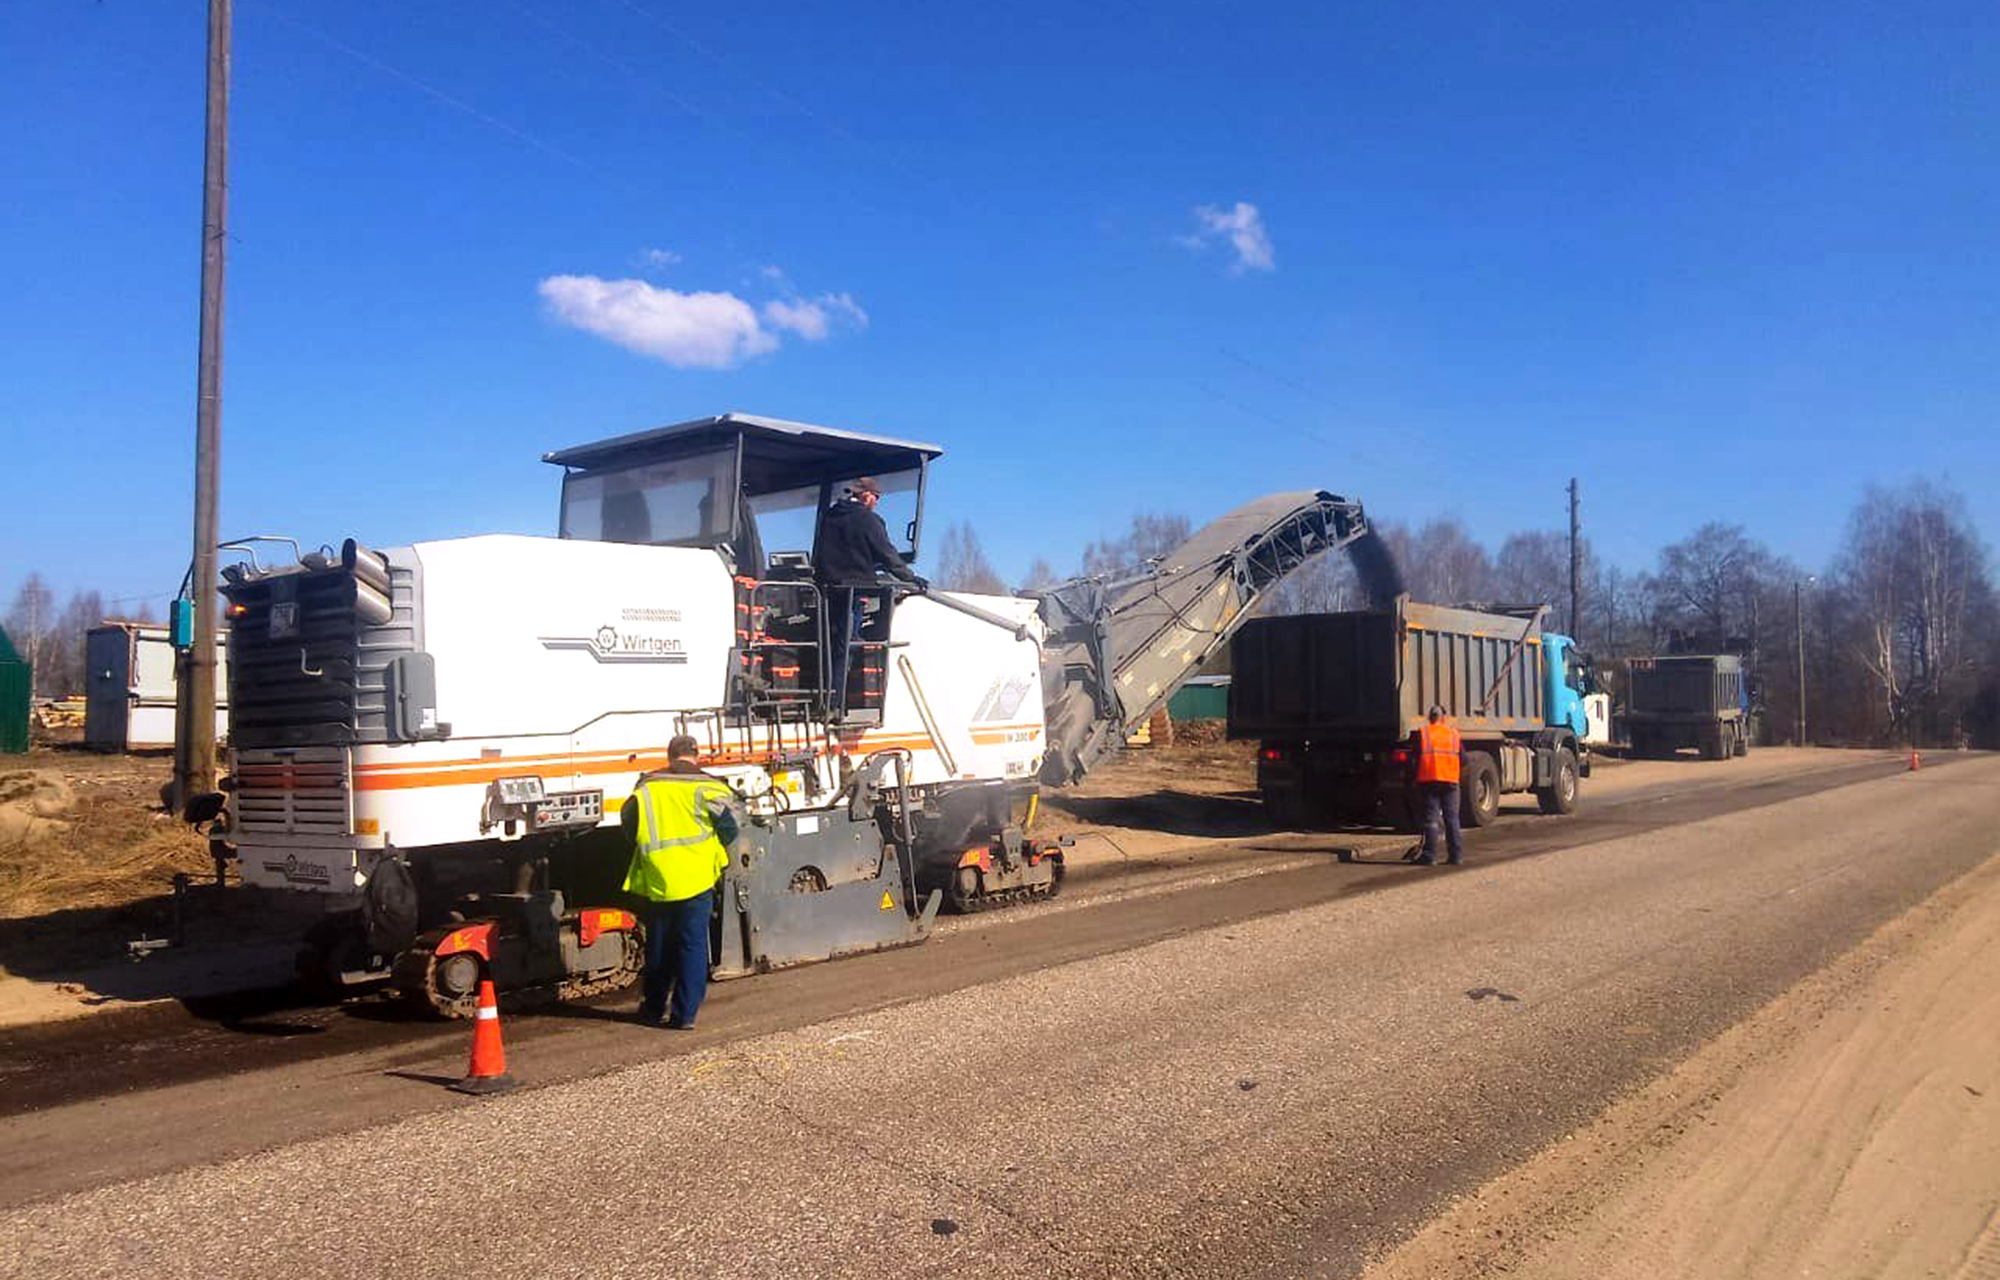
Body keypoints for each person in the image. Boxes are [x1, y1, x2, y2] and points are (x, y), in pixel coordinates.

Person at [621, 735, 739, 1029]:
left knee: (658, 946)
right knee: (692, 946)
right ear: (696, 756)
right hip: (697, 878)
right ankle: (684, 1015)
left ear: (670, 755)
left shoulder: (648, 785)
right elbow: (730, 829)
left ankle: (653, 1009)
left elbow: (629, 822)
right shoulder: (710, 786)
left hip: (659, 878)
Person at [813, 476, 926, 708]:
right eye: (876, 498)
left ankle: (826, 697)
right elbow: (887, 555)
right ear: (866, 496)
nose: (876, 503)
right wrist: (911, 578)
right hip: (853, 591)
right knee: (847, 646)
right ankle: (834, 703)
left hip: (828, 590)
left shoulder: (830, 518)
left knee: (830, 643)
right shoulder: (868, 520)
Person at [1411, 704, 1465, 866]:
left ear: (1430, 717)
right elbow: (1464, 759)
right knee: (1452, 819)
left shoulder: (1423, 733)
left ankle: (1429, 856)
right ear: (1443, 718)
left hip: (1429, 781)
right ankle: (1456, 857)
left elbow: (1415, 758)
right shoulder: (1453, 734)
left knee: (1431, 819)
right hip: (1450, 781)